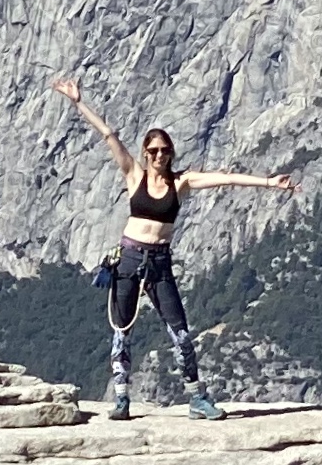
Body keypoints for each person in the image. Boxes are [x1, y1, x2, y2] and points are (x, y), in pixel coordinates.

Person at [50, 77, 297, 421]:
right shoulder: (133, 175)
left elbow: (226, 178)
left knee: (179, 330)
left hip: (159, 262)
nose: (159, 156)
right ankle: (121, 399)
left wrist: (270, 183)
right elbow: (108, 135)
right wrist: (78, 102)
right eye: (153, 151)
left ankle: (196, 398)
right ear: (145, 154)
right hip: (129, 258)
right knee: (122, 330)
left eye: (165, 150)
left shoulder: (182, 182)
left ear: (171, 153)